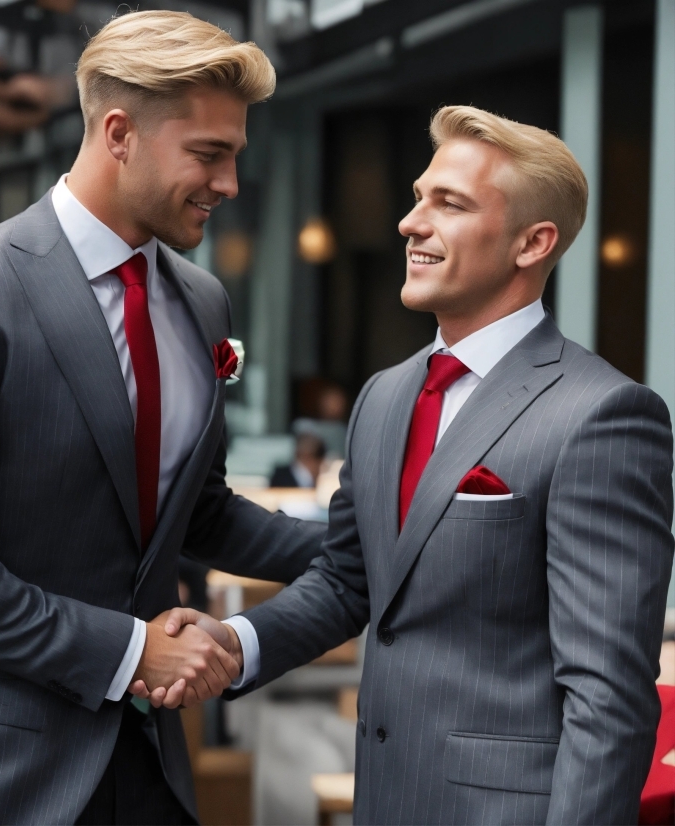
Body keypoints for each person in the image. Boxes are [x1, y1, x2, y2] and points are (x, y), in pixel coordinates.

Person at [141, 106, 675, 825]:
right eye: (419, 196)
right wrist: (235, 644)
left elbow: (608, 696)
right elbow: (349, 580)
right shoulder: (386, 395)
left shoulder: (603, 416)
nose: (409, 222)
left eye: (448, 204)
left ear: (533, 243)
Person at [0, 12, 325, 826]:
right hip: (5, 778)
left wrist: (374, 548)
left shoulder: (201, 299)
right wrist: (128, 652)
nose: (228, 184)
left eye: (235, 156)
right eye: (208, 153)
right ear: (118, 132)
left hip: (155, 768)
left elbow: (202, 512)